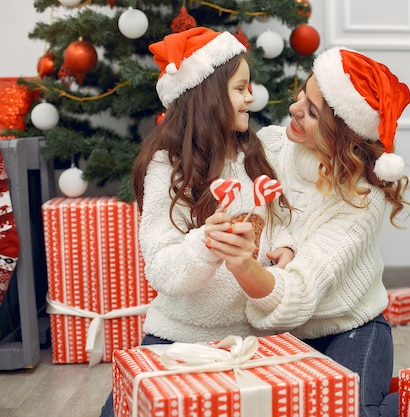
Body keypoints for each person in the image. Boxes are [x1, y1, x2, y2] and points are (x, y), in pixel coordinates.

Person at [206, 46, 410, 417]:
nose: (294, 108)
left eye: (312, 111)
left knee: (353, 413)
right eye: (303, 93)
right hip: (282, 335)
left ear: (341, 135)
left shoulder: (360, 201)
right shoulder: (271, 145)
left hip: (350, 328)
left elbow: (298, 293)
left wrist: (243, 266)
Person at [99, 27, 293, 417]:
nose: (251, 97)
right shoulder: (165, 169)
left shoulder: (259, 154)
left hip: (257, 339)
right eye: (240, 89)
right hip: (181, 338)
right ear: (207, 96)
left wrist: (287, 245)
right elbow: (164, 271)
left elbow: (286, 214)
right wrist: (207, 243)